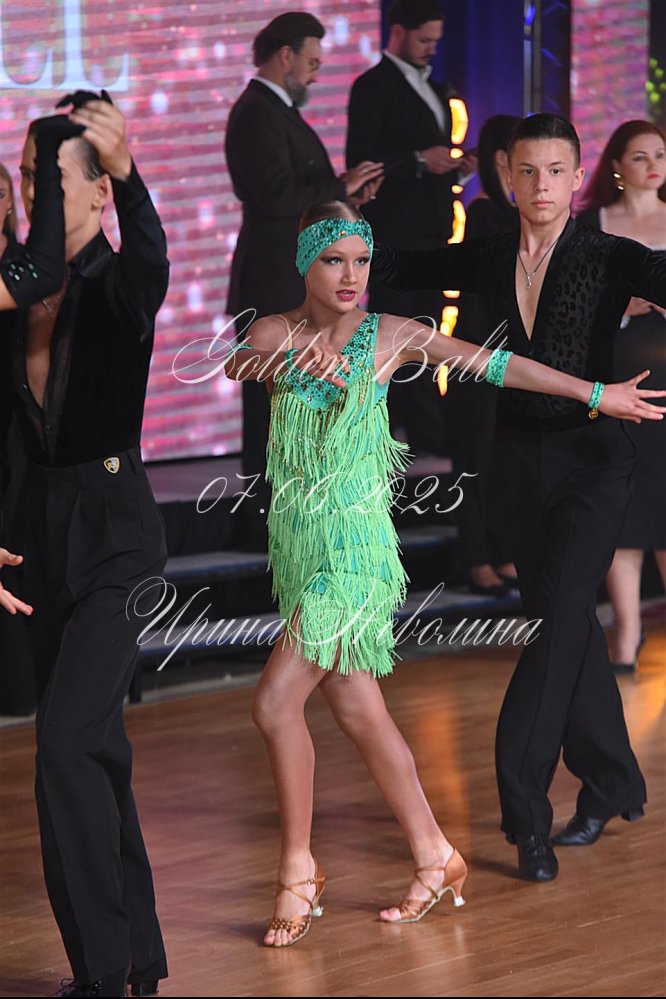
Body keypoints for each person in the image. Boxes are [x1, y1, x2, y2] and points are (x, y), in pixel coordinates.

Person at [223, 198, 663, 946]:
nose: (352, 275)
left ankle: (297, 868)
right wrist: (290, 360)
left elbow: (497, 364)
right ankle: (434, 855)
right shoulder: (274, 333)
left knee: (273, 705)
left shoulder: (391, 335)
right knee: (359, 712)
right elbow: (238, 360)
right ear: (304, 261)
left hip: (354, 556)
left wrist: (595, 393)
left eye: (363, 260)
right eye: (334, 260)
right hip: (298, 551)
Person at [372, 112, 666, 881]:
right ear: (507, 176)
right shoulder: (491, 250)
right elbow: (398, 264)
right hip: (517, 463)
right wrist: (349, 220)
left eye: (556, 172)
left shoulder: (608, 254)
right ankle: (612, 779)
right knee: (566, 624)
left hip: (595, 461)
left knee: (553, 623)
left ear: (577, 178)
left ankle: (526, 817)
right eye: (527, 171)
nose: (541, 185)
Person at [5, 91, 169, 998]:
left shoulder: (118, 283)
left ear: (99, 191)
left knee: (65, 746)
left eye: (54, 179)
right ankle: (133, 958)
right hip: (38, 542)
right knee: (94, 749)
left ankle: (103, 975)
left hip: (117, 539)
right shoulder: (14, 290)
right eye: (29, 177)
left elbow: (154, 260)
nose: (37, 194)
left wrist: (132, 175)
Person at [225, 11, 382, 549]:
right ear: (285, 55)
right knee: (269, 408)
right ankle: (262, 522)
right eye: (311, 62)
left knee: (298, 403)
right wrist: (339, 186)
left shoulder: (274, 111)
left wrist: (345, 195)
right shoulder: (257, 113)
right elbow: (277, 197)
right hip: (272, 280)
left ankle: (293, 515)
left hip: (285, 277)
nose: (316, 72)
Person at [346, 0, 476, 454]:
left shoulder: (437, 87)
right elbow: (360, 160)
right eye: (424, 40)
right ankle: (394, 428)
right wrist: (419, 161)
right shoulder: (372, 86)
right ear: (398, 31)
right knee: (395, 330)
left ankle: (426, 429)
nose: (431, 49)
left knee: (429, 330)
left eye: (436, 41)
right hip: (395, 233)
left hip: (434, 230)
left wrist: (458, 168)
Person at [577, 120, 666, 674]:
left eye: (661, 154)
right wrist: (620, 306)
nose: (653, 166)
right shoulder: (594, 226)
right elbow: (569, 310)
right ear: (616, 165)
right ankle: (627, 632)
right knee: (623, 504)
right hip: (616, 380)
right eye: (640, 156)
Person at [445, 115, 520, 596]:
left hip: (511, 357)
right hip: (479, 355)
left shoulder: (518, 213)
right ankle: (475, 557)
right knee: (475, 460)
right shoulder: (485, 212)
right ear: (500, 159)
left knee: (505, 460)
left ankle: (503, 549)